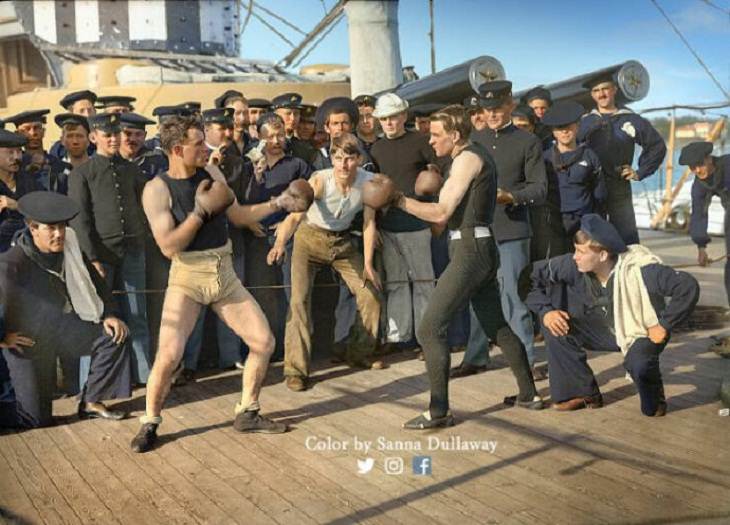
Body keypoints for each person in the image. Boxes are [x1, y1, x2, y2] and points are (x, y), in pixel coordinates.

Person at [131, 115, 311, 453]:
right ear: (176, 149)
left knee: (263, 341)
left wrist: (279, 203)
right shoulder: (156, 189)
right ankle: (150, 422)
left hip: (223, 270)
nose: (205, 149)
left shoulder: (211, 173)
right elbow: (169, 246)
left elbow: (239, 216)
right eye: (198, 144)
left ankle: (248, 411)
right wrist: (199, 213)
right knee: (169, 355)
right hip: (187, 275)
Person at [379, 105, 541, 428]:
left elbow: (440, 212)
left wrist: (398, 200)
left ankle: (438, 411)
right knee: (496, 324)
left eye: (437, 135)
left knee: (429, 328)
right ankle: (528, 394)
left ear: (455, 135)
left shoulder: (466, 158)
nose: (432, 140)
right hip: (475, 246)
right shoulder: (469, 156)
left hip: (470, 249)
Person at [526, 214, 699, 415]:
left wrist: (665, 325)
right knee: (555, 324)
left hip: (642, 331)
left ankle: (655, 397)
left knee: (642, 374)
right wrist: (546, 312)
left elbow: (688, 286)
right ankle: (582, 392)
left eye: (581, 251)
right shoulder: (573, 265)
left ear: (602, 255)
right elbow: (529, 276)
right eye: (575, 250)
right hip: (604, 330)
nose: (575, 256)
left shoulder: (641, 270)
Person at [0, 191, 132, 428]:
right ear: (32, 228)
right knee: (35, 420)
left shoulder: (70, 246)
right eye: (50, 229)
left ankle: (91, 401)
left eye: (61, 227)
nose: (59, 234)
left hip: (62, 330)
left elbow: (97, 284)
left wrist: (109, 314)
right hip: (28, 342)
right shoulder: (12, 263)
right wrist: (2, 337)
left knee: (114, 335)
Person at [268, 133, 382, 391]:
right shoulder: (320, 180)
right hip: (309, 239)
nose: (343, 165)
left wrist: (367, 265)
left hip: (341, 242)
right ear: (332, 158)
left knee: (370, 295)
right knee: (298, 302)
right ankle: (295, 370)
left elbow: (368, 223)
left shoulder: (368, 182)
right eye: (338, 158)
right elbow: (295, 217)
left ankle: (358, 353)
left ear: (359, 159)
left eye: (349, 159)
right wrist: (278, 245)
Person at [457, 81, 546, 378]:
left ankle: (526, 365)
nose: (492, 114)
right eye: (486, 109)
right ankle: (475, 357)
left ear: (510, 105)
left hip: (512, 230)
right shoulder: (473, 141)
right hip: (478, 230)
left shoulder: (527, 142)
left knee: (513, 298)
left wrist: (510, 196)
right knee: (476, 296)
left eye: (497, 108)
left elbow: (539, 189)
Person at [68, 113, 152, 387]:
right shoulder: (83, 173)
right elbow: (80, 221)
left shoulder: (130, 169)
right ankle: (90, 384)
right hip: (102, 257)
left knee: (138, 316)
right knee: (97, 319)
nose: (115, 139)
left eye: (117, 134)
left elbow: (145, 205)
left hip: (133, 251)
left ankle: (144, 375)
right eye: (108, 135)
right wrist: (92, 258)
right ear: (94, 138)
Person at [371, 93, 439, 351]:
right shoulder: (376, 149)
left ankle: (426, 338)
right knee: (396, 282)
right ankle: (397, 337)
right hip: (388, 224)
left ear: (404, 116)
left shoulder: (421, 141)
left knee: (423, 282)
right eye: (384, 118)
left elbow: (437, 171)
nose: (389, 123)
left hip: (417, 223)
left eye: (394, 117)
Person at [578, 72, 666, 245]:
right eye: (596, 91)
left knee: (627, 236)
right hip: (591, 186)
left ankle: (628, 270)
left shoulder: (631, 119)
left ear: (615, 90)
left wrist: (639, 172)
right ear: (592, 95)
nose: (601, 94)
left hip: (619, 184)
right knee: (592, 236)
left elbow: (657, 146)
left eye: (605, 89)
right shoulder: (585, 122)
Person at [537, 100, 606, 257]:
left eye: (569, 126)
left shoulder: (590, 156)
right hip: (554, 223)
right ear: (553, 131)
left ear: (577, 126)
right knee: (558, 266)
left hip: (584, 222)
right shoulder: (545, 158)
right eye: (559, 128)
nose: (565, 132)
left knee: (586, 265)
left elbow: (599, 193)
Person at [679, 141, 730, 306]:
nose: (697, 170)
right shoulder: (699, 185)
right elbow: (699, 215)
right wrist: (701, 247)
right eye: (692, 168)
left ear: (709, 159)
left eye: (699, 164)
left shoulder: (727, 166)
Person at [4, 110, 70, 195]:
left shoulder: (61, 166)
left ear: (43, 132)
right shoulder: (14, 167)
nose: (33, 133)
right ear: (17, 133)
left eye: (37, 128)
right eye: (27, 129)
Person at [0, 130, 43, 252]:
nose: (16, 157)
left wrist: (17, 206)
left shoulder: (32, 182)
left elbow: (44, 214)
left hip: (29, 253)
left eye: (19, 151)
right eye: (10, 152)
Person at [118, 113, 168, 181]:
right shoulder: (109, 160)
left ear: (145, 136)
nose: (133, 139)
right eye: (128, 134)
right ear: (117, 135)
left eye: (138, 134)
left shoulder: (156, 163)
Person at [49, 90, 97, 159]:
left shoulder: (102, 143)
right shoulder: (59, 150)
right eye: (81, 111)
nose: (87, 115)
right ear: (71, 115)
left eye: (90, 110)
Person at [272, 92, 317, 164]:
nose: (293, 118)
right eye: (288, 114)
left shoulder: (304, 149)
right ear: (276, 115)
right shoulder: (266, 145)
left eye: (296, 114)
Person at [215, 90, 252, 155]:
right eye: (237, 113)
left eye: (245, 113)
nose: (242, 118)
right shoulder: (219, 145)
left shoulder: (252, 142)